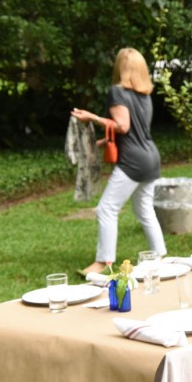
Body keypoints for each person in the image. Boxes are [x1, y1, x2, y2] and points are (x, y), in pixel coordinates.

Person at [71, 48, 166, 275]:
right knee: (144, 209)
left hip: (133, 160)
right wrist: (104, 141)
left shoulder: (117, 92)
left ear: (120, 68)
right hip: (151, 157)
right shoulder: (144, 95)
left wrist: (91, 117)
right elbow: (134, 130)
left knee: (106, 209)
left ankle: (104, 262)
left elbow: (123, 126)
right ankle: (160, 255)